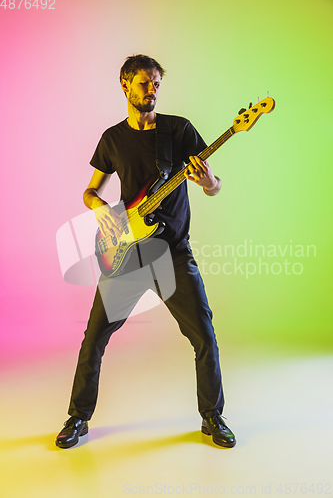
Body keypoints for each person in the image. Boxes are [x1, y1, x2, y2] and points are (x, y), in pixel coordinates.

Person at [56, 54, 236, 449]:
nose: (151, 90)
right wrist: (101, 211)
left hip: (172, 252)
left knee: (204, 335)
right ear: (125, 85)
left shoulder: (179, 131)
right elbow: (90, 191)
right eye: (144, 83)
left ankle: (212, 417)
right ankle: (78, 418)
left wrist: (208, 182)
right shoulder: (113, 139)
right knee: (94, 338)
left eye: (156, 84)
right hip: (126, 252)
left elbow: (215, 186)